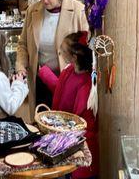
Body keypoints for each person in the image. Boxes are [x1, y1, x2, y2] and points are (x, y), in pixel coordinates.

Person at [15, 0, 89, 115]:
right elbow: (23, 43)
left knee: (65, 120)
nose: (45, 1)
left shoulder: (78, 10)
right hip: (40, 78)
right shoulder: (33, 11)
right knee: (42, 119)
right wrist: (20, 67)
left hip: (69, 80)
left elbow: (86, 46)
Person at [38, 31, 98, 179]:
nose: (59, 53)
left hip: (74, 145)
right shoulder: (69, 71)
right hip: (63, 136)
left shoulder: (86, 85)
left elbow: (82, 124)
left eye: (62, 51)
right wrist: (44, 73)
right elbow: (61, 89)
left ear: (74, 57)